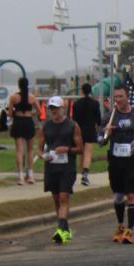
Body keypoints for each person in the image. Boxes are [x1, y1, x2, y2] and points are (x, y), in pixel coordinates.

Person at [102, 85, 134, 243]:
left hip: (132, 159)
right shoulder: (109, 117)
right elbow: (100, 140)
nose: (118, 100)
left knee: (131, 194)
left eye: (120, 96)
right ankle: (120, 225)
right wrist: (106, 133)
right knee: (118, 196)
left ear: (128, 97)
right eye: (115, 97)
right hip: (115, 160)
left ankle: (130, 229)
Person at [36, 95, 82, 243]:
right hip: (51, 167)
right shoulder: (46, 127)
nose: (54, 111)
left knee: (63, 197)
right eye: (51, 108)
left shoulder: (72, 126)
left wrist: (67, 149)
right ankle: (65, 230)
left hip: (67, 168)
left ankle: (60, 229)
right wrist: (43, 156)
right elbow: (39, 149)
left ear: (63, 108)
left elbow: (80, 148)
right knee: (56, 199)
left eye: (56, 108)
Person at [7, 76, 42, 185]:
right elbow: (39, 111)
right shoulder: (32, 97)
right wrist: (30, 113)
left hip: (18, 122)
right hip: (28, 122)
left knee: (19, 151)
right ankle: (30, 176)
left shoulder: (13, 97)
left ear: (19, 85)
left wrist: (11, 113)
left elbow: (10, 114)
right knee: (30, 150)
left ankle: (20, 177)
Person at [71, 81, 103, 186]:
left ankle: (75, 173)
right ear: (90, 91)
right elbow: (98, 120)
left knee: (79, 151)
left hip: (78, 130)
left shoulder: (76, 104)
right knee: (88, 153)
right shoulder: (95, 103)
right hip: (90, 130)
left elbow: (73, 119)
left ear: (82, 91)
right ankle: (84, 174)